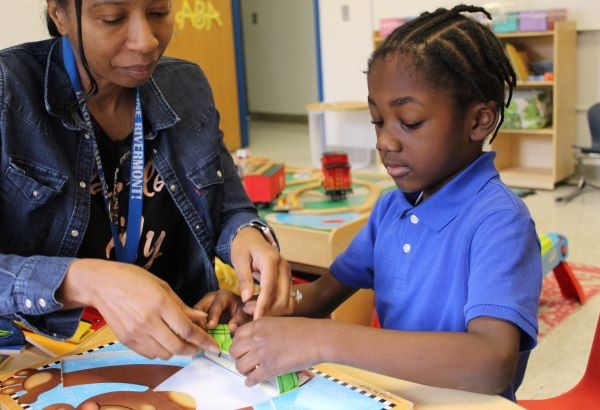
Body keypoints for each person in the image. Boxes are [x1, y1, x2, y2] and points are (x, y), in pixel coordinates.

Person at [225, 4, 543, 401]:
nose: (384, 141)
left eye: (409, 122)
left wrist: (324, 338)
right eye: (378, 121)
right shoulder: (392, 209)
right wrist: (262, 308)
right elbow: (322, 293)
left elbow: (491, 364)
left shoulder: (500, 223)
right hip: (389, 398)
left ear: (479, 121)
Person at [0, 0, 292, 360]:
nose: (146, 41)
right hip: (42, 356)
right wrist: (85, 280)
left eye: (158, 12)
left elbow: (230, 209)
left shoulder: (187, 86)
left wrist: (248, 235)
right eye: (113, 18)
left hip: (177, 347)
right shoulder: (8, 92)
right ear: (59, 14)